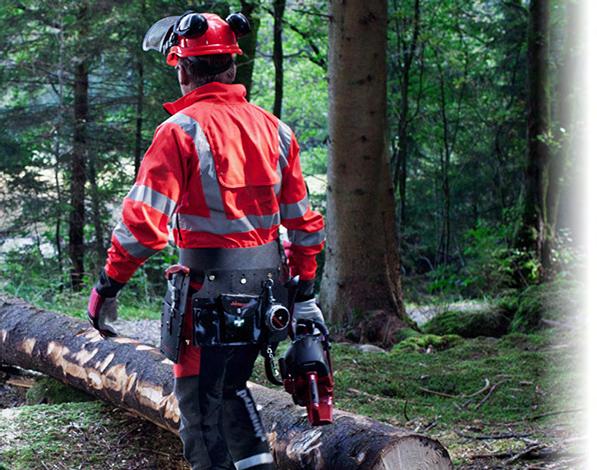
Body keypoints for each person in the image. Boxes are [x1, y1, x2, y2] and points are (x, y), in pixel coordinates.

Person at [87, 11, 325, 470]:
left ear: (182, 68)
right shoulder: (277, 131)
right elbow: (302, 223)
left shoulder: (179, 132)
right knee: (233, 388)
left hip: (207, 296)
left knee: (199, 411)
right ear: (232, 67)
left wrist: (108, 286)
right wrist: (306, 292)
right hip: (268, 294)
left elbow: (143, 226)